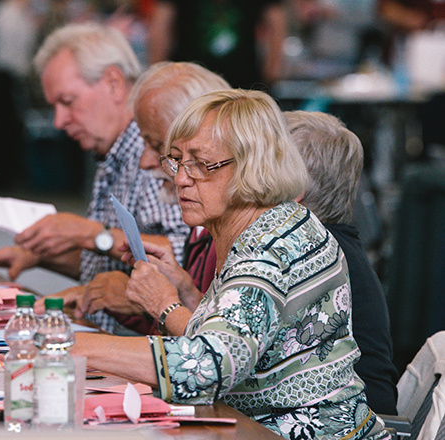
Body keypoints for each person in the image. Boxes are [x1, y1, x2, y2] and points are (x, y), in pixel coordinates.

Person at [72, 89, 390, 440]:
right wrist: (186, 295)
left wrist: (72, 346)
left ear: (252, 167)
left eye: (201, 164)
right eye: (176, 160)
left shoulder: (272, 247)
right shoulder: (265, 227)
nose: (180, 178)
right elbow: (232, 341)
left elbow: (207, 366)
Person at [0, 23, 190, 334]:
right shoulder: (112, 151)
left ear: (113, 83)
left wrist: (90, 233)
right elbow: (115, 263)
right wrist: (42, 256)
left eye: (68, 101)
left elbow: (187, 257)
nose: (59, 121)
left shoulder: (149, 153)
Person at [34, 61, 229, 334]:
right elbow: (201, 326)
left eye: (163, 149)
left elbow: (213, 350)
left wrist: (161, 304)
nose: (146, 161)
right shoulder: (207, 232)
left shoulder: (245, 238)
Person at [285, 110, 399, 415]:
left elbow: (233, 361)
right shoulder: (337, 246)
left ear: (294, 189)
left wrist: (170, 306)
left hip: (348, 424)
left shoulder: (311, 256)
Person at [146, 0, 287, 89]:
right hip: (189, 81)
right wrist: (158, 69)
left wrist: (273, 67)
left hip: (243, 80)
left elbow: (276, 22)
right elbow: (161, 25)